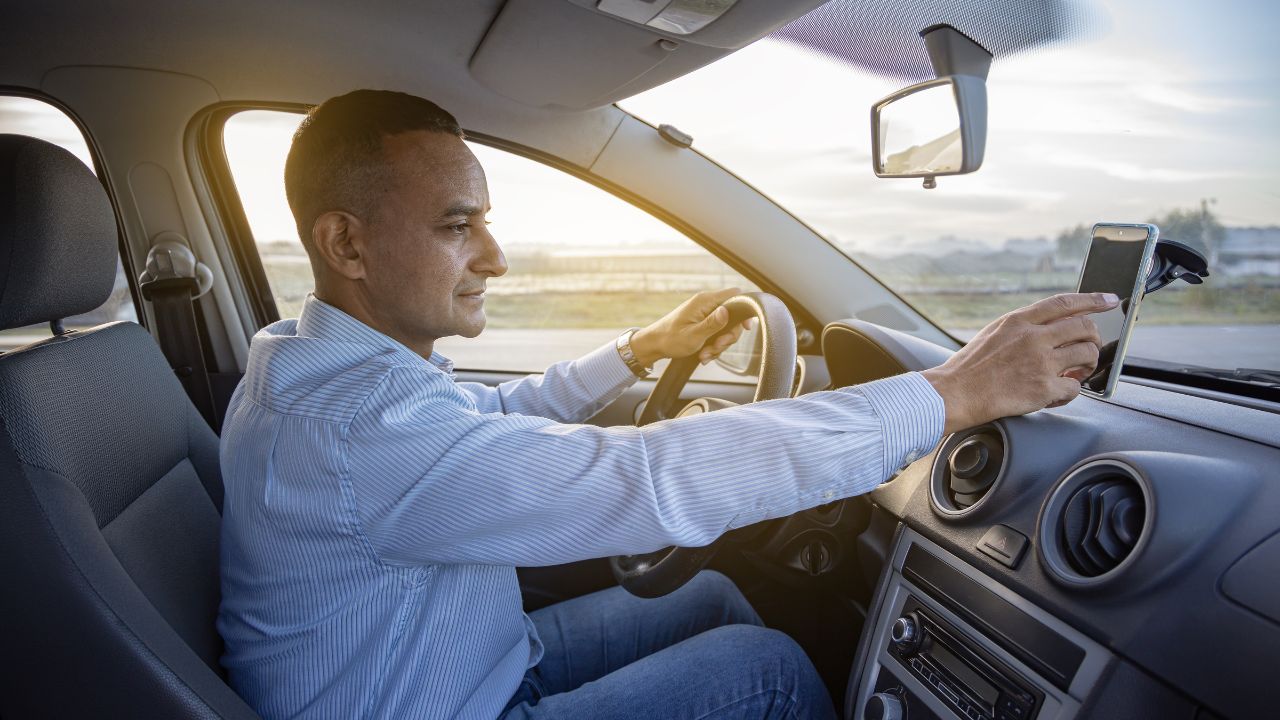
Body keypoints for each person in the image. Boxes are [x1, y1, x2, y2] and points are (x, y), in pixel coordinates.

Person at [217, 90, 1111, 720]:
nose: (494, 257)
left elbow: (488, 424)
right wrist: (950, 394)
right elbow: (648, 478)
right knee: (762, 669)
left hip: (463, 669)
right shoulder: (352, 429)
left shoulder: (314, 366)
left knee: (716, 597)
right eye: (458, 226)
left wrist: (640, 353)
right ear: (346, 244)